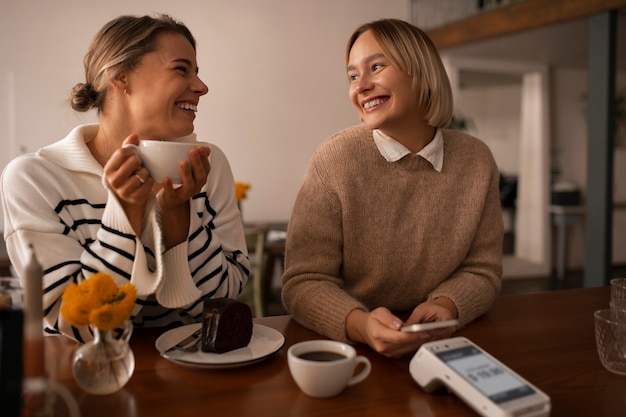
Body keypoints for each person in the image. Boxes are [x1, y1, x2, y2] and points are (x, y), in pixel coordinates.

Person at [0, 14, 249, 342]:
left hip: (193, 370)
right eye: (181, 69)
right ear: (120, 77)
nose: (202, 87)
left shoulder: (207, 164)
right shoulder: (34, 179)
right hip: (83, 379)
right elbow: (81, 326)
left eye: (197, 72)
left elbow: (224, 304)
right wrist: (124, 215)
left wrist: (179, 216)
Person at [281, 19, 503, 358]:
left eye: (376, 66)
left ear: (422, 71)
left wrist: (447, 305)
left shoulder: (476, 160)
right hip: (352, 351)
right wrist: (359, 323)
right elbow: (303, 282)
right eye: (353, 75)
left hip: (442, 346)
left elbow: (482, 269)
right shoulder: (335, 158)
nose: (361, 86)